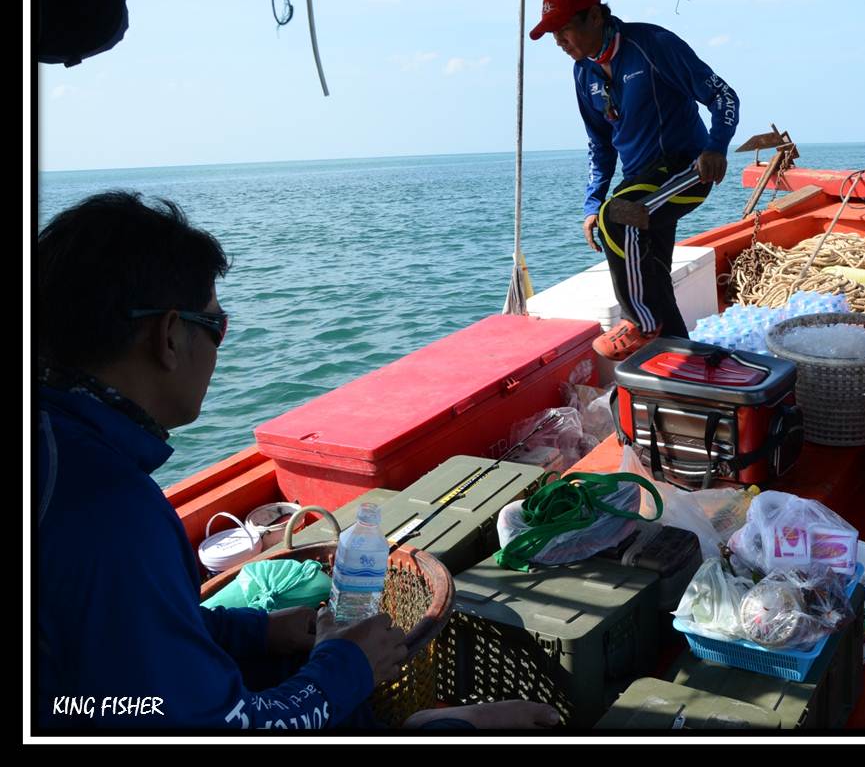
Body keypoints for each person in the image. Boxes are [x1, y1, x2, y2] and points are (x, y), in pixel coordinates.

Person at [35, 191, 559, 732]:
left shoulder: (62, 452)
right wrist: (348, 666)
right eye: (217, 326)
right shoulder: (111, 514)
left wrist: (254, 632)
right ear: (169, 336)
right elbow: (213, 728)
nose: (219, 346)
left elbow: (124, 642)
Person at [531, 0, 739, 360]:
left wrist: (716, 147)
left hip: (688, 169)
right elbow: (600, 143)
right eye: (552, 35)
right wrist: (592, 204)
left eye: (564, 30)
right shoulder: (583, 73)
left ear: (594, 16)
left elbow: (724, 96)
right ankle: (680, 358)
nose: (559, 41)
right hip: (641, 181)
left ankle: (639, 323)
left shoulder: (653, 45)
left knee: (620, 217)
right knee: (652, 273)